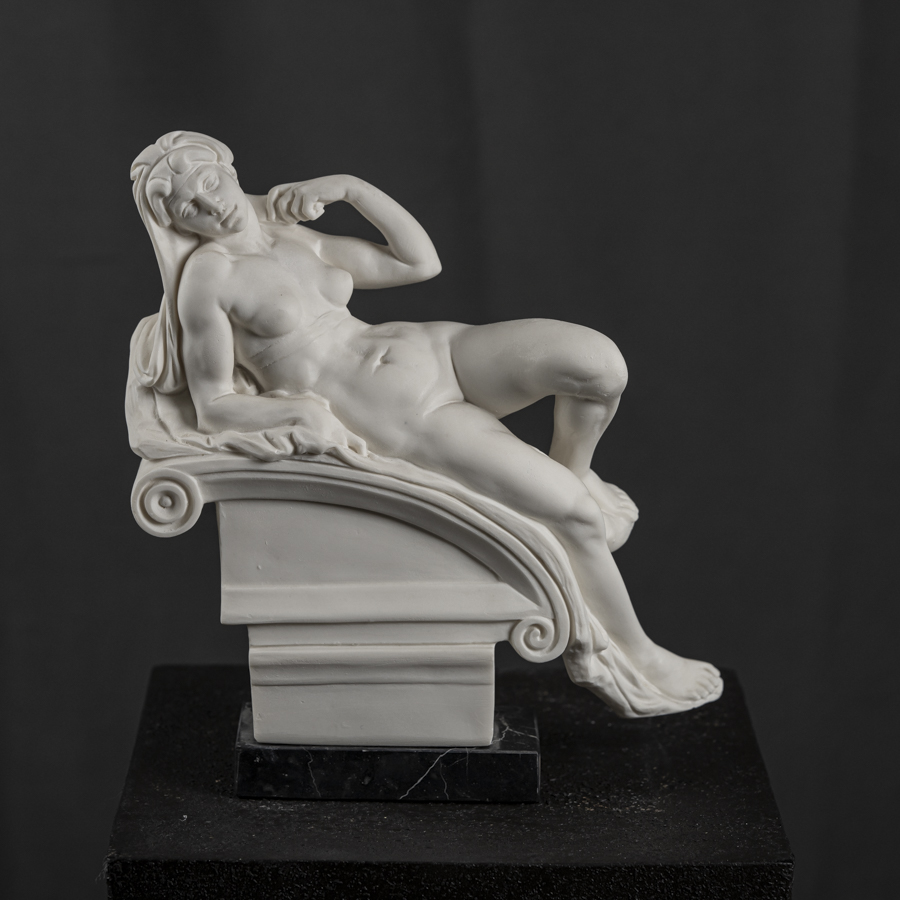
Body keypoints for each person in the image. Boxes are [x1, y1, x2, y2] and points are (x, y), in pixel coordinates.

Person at [131, 131, 721, 714]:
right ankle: (639, 653)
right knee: (576, 517)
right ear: (177, 224)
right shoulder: (209, 278)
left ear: (229, 171)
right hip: (410, 418)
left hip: (439, 351)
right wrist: (296, 409)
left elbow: (417, 262)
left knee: (598, 367)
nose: (211, 206)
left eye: (209, 183)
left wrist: (352, 188)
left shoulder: (294, 238)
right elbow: (213, 404)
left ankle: (574, 470)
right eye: (189, 208)